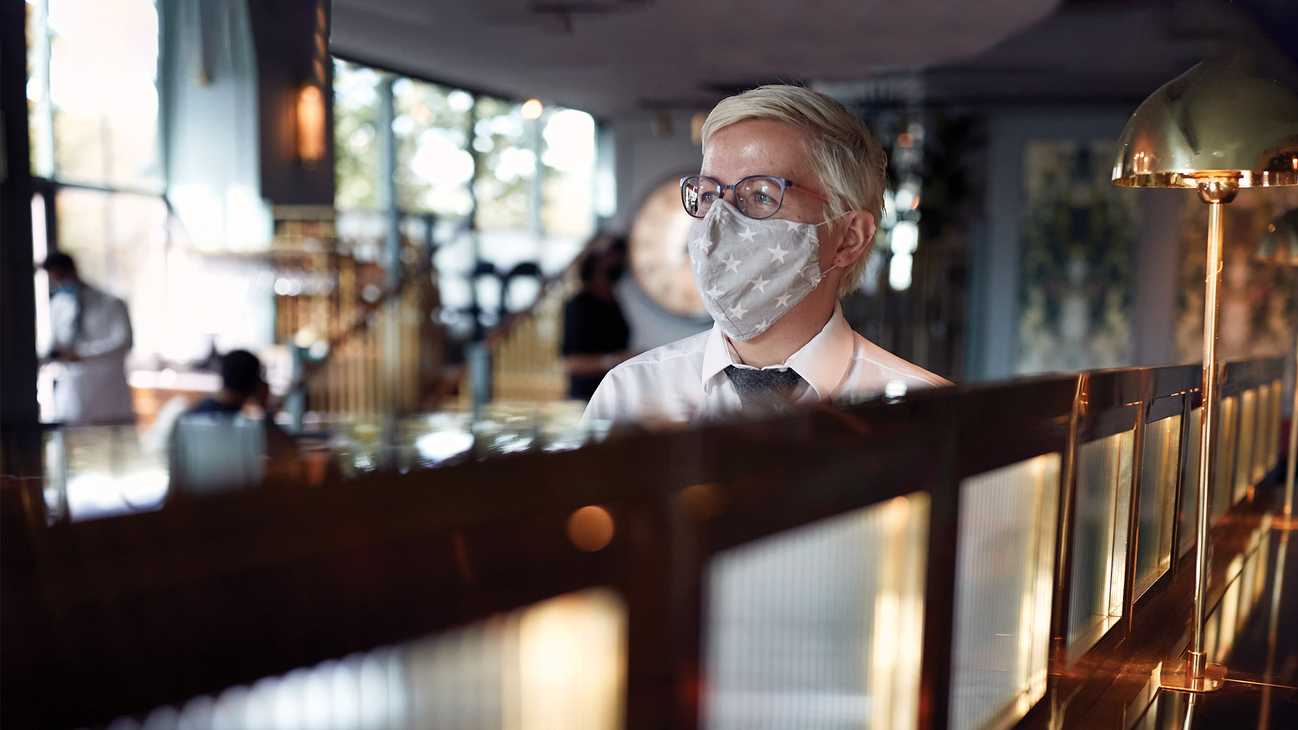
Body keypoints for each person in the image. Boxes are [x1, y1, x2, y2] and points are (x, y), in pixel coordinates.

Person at [584, 85, 950, 425]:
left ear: (849, 238)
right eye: (709, 194)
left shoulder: (925, 415)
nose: (718, 222)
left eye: (760, 195)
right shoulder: (629, 396)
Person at [168, 350, 299, 492]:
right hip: (241, 509)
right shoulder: (256, 429)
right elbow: (290, 450)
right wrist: (265, 408)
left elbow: (175, 482)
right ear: (256, 385)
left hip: (195, 510)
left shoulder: (184, 420)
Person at [41, 252, 135, 425]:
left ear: (72, 270)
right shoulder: (58, 305)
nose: (58, 282)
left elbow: (123, 343)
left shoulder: (112, 303)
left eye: (61, 276)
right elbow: (56, 345)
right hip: (72, 395)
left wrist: (82, 356)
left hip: (108, 395)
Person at [562, 241, 631, 400]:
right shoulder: (579, 305)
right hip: (586, 395)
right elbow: (570, 362)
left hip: (614, 394)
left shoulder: (614, 302)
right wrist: (615, 360)